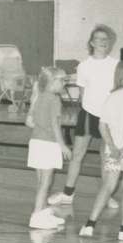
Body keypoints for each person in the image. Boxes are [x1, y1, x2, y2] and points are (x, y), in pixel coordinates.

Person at [50, 24, 120, 207]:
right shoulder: (84, 66)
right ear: (91, 42)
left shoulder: (116, 65)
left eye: (105, 39)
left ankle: (107, 195)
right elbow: (82, 93)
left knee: (106, 157)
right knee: (77, 154)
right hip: (89, 115)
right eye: (98, 39)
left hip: (110, 116)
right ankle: (68, 194)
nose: (102, 42)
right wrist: (84, 112)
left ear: (110, 42)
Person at [79, 60, 123, 241]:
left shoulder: (112, 96)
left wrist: (112, 147)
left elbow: (102, 126)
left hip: (113, 149)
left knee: (108, 186)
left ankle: (89, 225)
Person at [26, 67, 72, 229]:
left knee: (41, 181)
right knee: (46, 182)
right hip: (48, 143)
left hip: (36, 142)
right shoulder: (54, 99)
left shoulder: (39, 97)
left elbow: (31, 121)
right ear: (52, 82)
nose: (65, 83)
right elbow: (54, 125)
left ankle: (44, 212)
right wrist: (62, 145)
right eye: (62, 80)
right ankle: (37, 215)